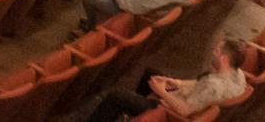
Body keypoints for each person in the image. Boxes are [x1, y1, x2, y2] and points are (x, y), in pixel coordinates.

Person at [93, 38, 248, 121]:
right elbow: (200, 83)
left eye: (216, 50)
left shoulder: (214, 86)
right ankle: (134, 114)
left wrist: (161, 91)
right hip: (189, 98)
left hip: (171, 113)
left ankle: (142, 112)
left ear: (223, 58)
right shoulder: (238, 74)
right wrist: (176, 82)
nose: (212, 52)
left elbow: (185, 111)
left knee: (115, 97)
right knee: (151, 73)